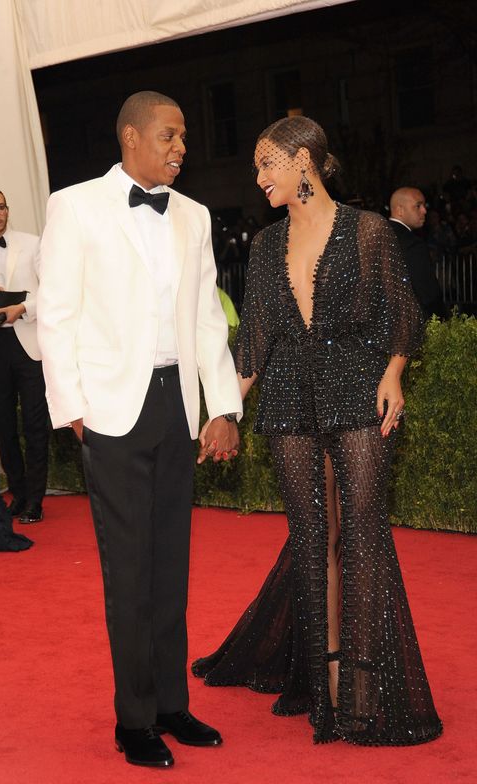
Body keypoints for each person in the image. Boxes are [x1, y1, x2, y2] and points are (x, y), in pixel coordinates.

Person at [194, 116, 443, 746]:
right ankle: (326, 680)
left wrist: (393, 374)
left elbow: (402, 314)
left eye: (267, 163)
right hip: (287, 402)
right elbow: (254, 341)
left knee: (360, 529)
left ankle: (363, 683)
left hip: (359, 392)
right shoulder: (265, 246)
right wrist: (224, 410)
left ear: (303, 160)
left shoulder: (368, 233)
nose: (259, 178)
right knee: (312, 538)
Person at [37, 91, 242, 769]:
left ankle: (170, 704)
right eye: (169, 135)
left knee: (169, 567)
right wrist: (72, 407)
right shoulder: (74, 206)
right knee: (129, 574)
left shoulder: (194, 215)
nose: (181, 147)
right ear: (130, 135)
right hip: (111, 412)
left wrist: (222, 407)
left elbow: (210, 318)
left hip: (176, 404)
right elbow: (56, 311)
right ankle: (133, 721)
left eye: (184, 137)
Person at [0, 188, 48, 524]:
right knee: (2, 425)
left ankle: (35, 499)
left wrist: (23, 307)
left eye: (1, 206)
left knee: (34, 424)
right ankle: (18, 492)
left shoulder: (31, 243)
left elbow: (53, 291)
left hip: (27, 341)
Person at [389, 187, 446, 319]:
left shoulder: (379, 235)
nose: (424, 211)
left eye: (424, 206)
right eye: (418, 206)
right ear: (400, 210)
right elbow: (428, 293)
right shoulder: (412, 243)